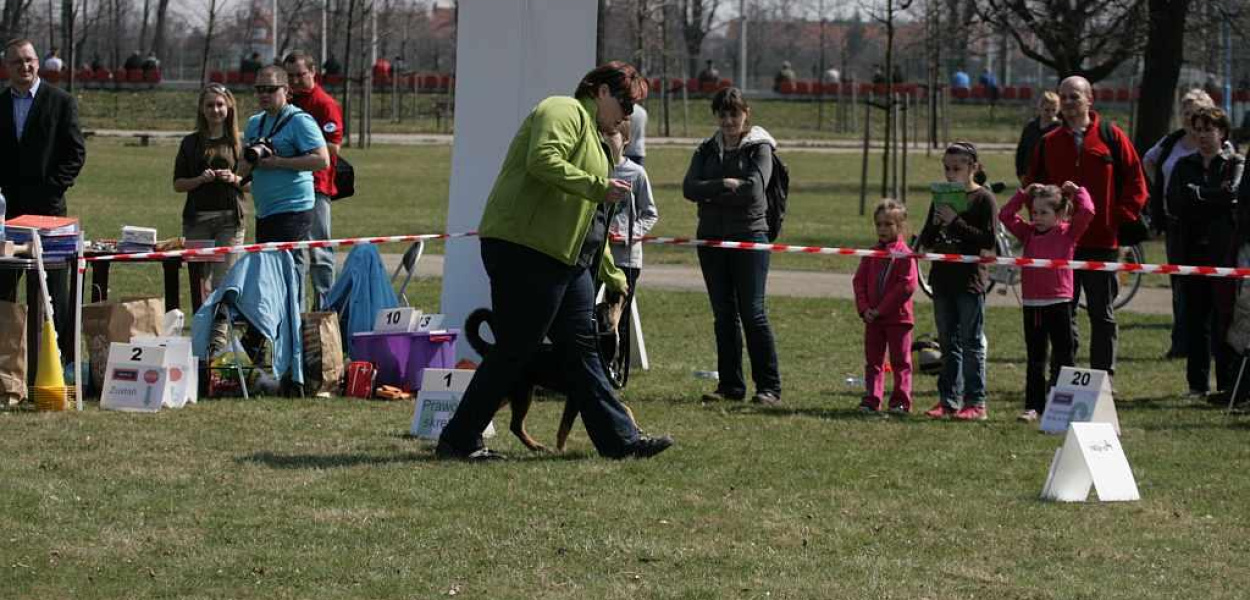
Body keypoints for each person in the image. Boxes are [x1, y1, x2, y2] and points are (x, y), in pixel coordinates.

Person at [435, 61, 673, 461]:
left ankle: (622, 442)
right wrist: (597, 186)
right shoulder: (562, 109)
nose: (627, 115)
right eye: (625, 104)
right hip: (525, 248)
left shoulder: (596, 138)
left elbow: (587, 221)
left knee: (581, 350)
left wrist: (609, 270)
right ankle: (459, 439)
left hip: (565, 258)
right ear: (601, 91)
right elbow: (542, 159)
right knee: (515, 349)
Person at [1026, 76, 1149, 381]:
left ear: (1089, 99)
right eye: (1064, 97)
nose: (1069, 102)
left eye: (1075, 96)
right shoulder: (1049, 142)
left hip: (1102, 241)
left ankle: (1103, 378)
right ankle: (1063, 377)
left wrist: (1118, 218)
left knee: (1102, 313)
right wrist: (1043, 218)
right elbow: (1031, 185)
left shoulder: (1111, 136)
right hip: (1061, 243)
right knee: (1062, 313)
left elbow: (1136, 182)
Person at [683, 87, 782, 406]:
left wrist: (710, 194)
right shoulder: (706, 149)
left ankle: (769, 388)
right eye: (723, 114)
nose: (728, 121)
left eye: (734, 114)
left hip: (749, 237)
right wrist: (724, 185)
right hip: (711, 240)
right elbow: (689, 188)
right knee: (723, 315)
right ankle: (730, 386)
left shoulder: (760, 148)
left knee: (753, 313)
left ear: (746, 113)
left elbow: (754, 191)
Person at [0, 39, 86, 359]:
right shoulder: (1, 105)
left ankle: (58, 360)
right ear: (7, 67)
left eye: (30, 60)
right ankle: (8, 360)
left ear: (38, 63)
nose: (25, 66)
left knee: (52, 291)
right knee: (4, 289)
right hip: (7, 215)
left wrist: (52, 189)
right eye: (17, 62)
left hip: (49, 214)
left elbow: (75, 153)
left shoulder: (61, 102)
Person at [1166, 106, 1244, 400]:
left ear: (1222, 132)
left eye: (1208, 130)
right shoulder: (1184, 165)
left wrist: (1198, 194)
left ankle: (1226, 384)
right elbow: (1176, 202)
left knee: (1225, 320)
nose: (1202, 135)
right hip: (1190, 251)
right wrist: (1212, 197)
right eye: (1197, 130)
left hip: (1224, 254)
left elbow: (1232, 196)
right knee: (1195, 321)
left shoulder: (1235, 163)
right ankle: (1197, 385)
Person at [999, 182, 1094, 422]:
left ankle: (1063, 405)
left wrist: (1077, 191)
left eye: (1044, 212)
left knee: (1064, 355)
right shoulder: (1028, 233)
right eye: (1034, 212)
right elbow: (1005, 215)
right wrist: (1023, 194)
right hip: (1033, 305)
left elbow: (1087, 211)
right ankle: (1033, 406)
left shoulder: (1067, 233)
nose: (1037, 217)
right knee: (1036, 358)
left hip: (1059, 302)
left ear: (1059, 214)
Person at [918, 142, 997, 421]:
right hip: (942, 278)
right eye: (947, 168)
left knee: (971, 342)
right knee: (947, 342)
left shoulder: (984, 199)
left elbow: (988, 240)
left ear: (972, 167)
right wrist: (936, 224)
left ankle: (976, 402)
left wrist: (955, 221)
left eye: (956, 168)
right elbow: (927, 239)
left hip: (969, 280)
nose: (951, 174)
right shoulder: (941, 197)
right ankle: (948, 400)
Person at [1143, 89, 1217, 359]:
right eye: (1185, 112)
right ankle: (1181, 343)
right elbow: (1148, 161)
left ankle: (1210, 343)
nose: (1190, 118)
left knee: (1209, 285)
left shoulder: (1218, 144)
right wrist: (1162, 190)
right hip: (1176, 223)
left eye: (1195, 113)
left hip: (1210, 225)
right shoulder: (1171, 142)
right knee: (1180, 285)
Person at [237, 66, 329, 247]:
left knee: (282, 262)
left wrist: (278, 162)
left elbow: (322, 160)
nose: (264, 94)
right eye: (259, 89)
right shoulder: (254, 122)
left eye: (271, 89)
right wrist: (247, 163)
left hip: (293, 208)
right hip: (264, 209)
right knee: (270, 263)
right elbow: (242, 166)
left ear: (286, 90)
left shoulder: (299, 120)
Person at [172, 84, 247, 305]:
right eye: (210, 105)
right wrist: (199, 180)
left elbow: (253, 185)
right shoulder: (190, 143)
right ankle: (202, 323)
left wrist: (233, 178)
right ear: (202, 109)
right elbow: (178, 184)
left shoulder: (239, 143)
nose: (215, 110)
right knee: (199, 284)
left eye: (220, 104)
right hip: (197, 222)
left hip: (230, 221)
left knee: (223, 283)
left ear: (229, 107)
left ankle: (220, 325)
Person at [283, 51, 344, 311]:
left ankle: (324, 311)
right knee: (294, 252)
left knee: (319, 251)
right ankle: (296, 311)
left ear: (313, 72)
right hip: (289, 185)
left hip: (317, 186)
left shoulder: (324, 103)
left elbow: (333, 147)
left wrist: (297, 152)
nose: (295, 81)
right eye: (290, 76)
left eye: (301, 75)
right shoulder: (286, 101)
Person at [852, 199, 917, 414]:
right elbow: (859, 282)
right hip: (873, 319)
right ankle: (872, 399)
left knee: (901, 362)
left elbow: (906, 286)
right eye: (878, 224)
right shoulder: (871, 254)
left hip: (899, 319)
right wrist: (865, 309)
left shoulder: (905, 255)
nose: (882, 229)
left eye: (888, 224)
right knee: (874, 362)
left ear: (901, 226)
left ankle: (900, 401)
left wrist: (881, 309)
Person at [606, 118, 659, 306]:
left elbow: (650, 214)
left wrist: (628, 234)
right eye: (601, 133)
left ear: (626, 139)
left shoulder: (637, 173)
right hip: (596, 259)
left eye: (611, 134)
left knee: (618, 315)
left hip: (626, 259)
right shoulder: (593, 170)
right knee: (590, 315)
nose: (605, 139)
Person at [1014, 91, 1060, 180]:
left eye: (1054, 110)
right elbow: (1021, 151)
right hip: (1030, 175)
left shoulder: (1059, 128)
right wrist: (1021, 173)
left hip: (1051, 176)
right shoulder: (1030, 127)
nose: (1050, 114)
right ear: (1040, 107)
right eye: (1047, 110)